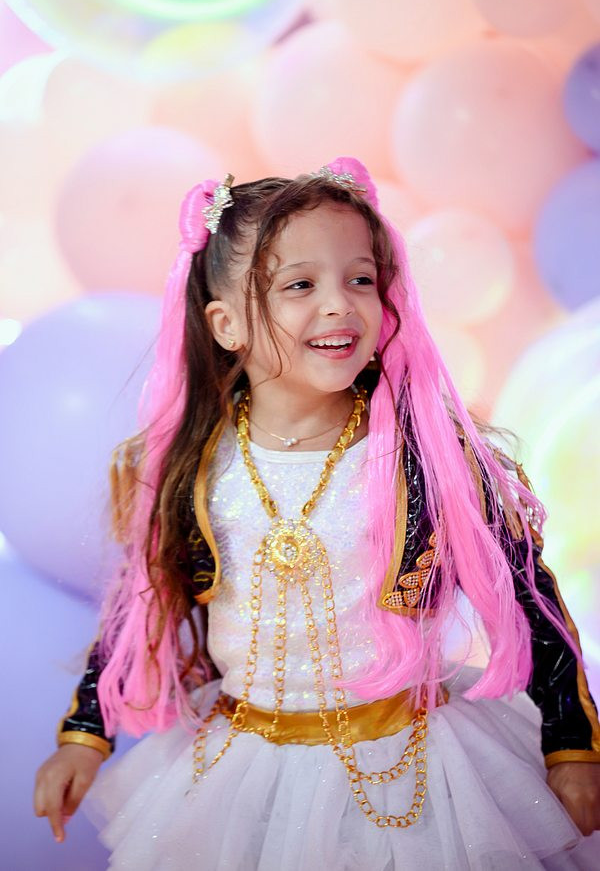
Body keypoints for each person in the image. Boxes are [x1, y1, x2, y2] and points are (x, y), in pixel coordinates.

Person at [34, 157, 600, 869]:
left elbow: (529, 598)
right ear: (227, 324)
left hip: (414, 761)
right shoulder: (192, 467)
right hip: (247, 767)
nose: (340, 305)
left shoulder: (428, 458)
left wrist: (572, 745)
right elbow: (141, 608)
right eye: (300, 285)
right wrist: (84, 737)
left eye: (361, 279)